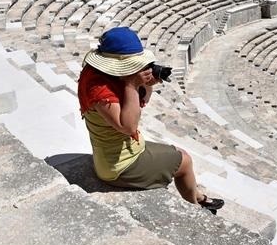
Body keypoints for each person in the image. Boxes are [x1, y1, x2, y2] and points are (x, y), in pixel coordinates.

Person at [78, 27, 223, 212]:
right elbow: (128, 126)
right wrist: (132, 84)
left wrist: (146, 85)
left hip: (123, 151)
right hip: (119, 166)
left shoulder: (100, 75)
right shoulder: (99, 88)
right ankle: (196, 209)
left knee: (177, 152)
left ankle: (199, 196)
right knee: (184, 161)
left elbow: (139, 104)